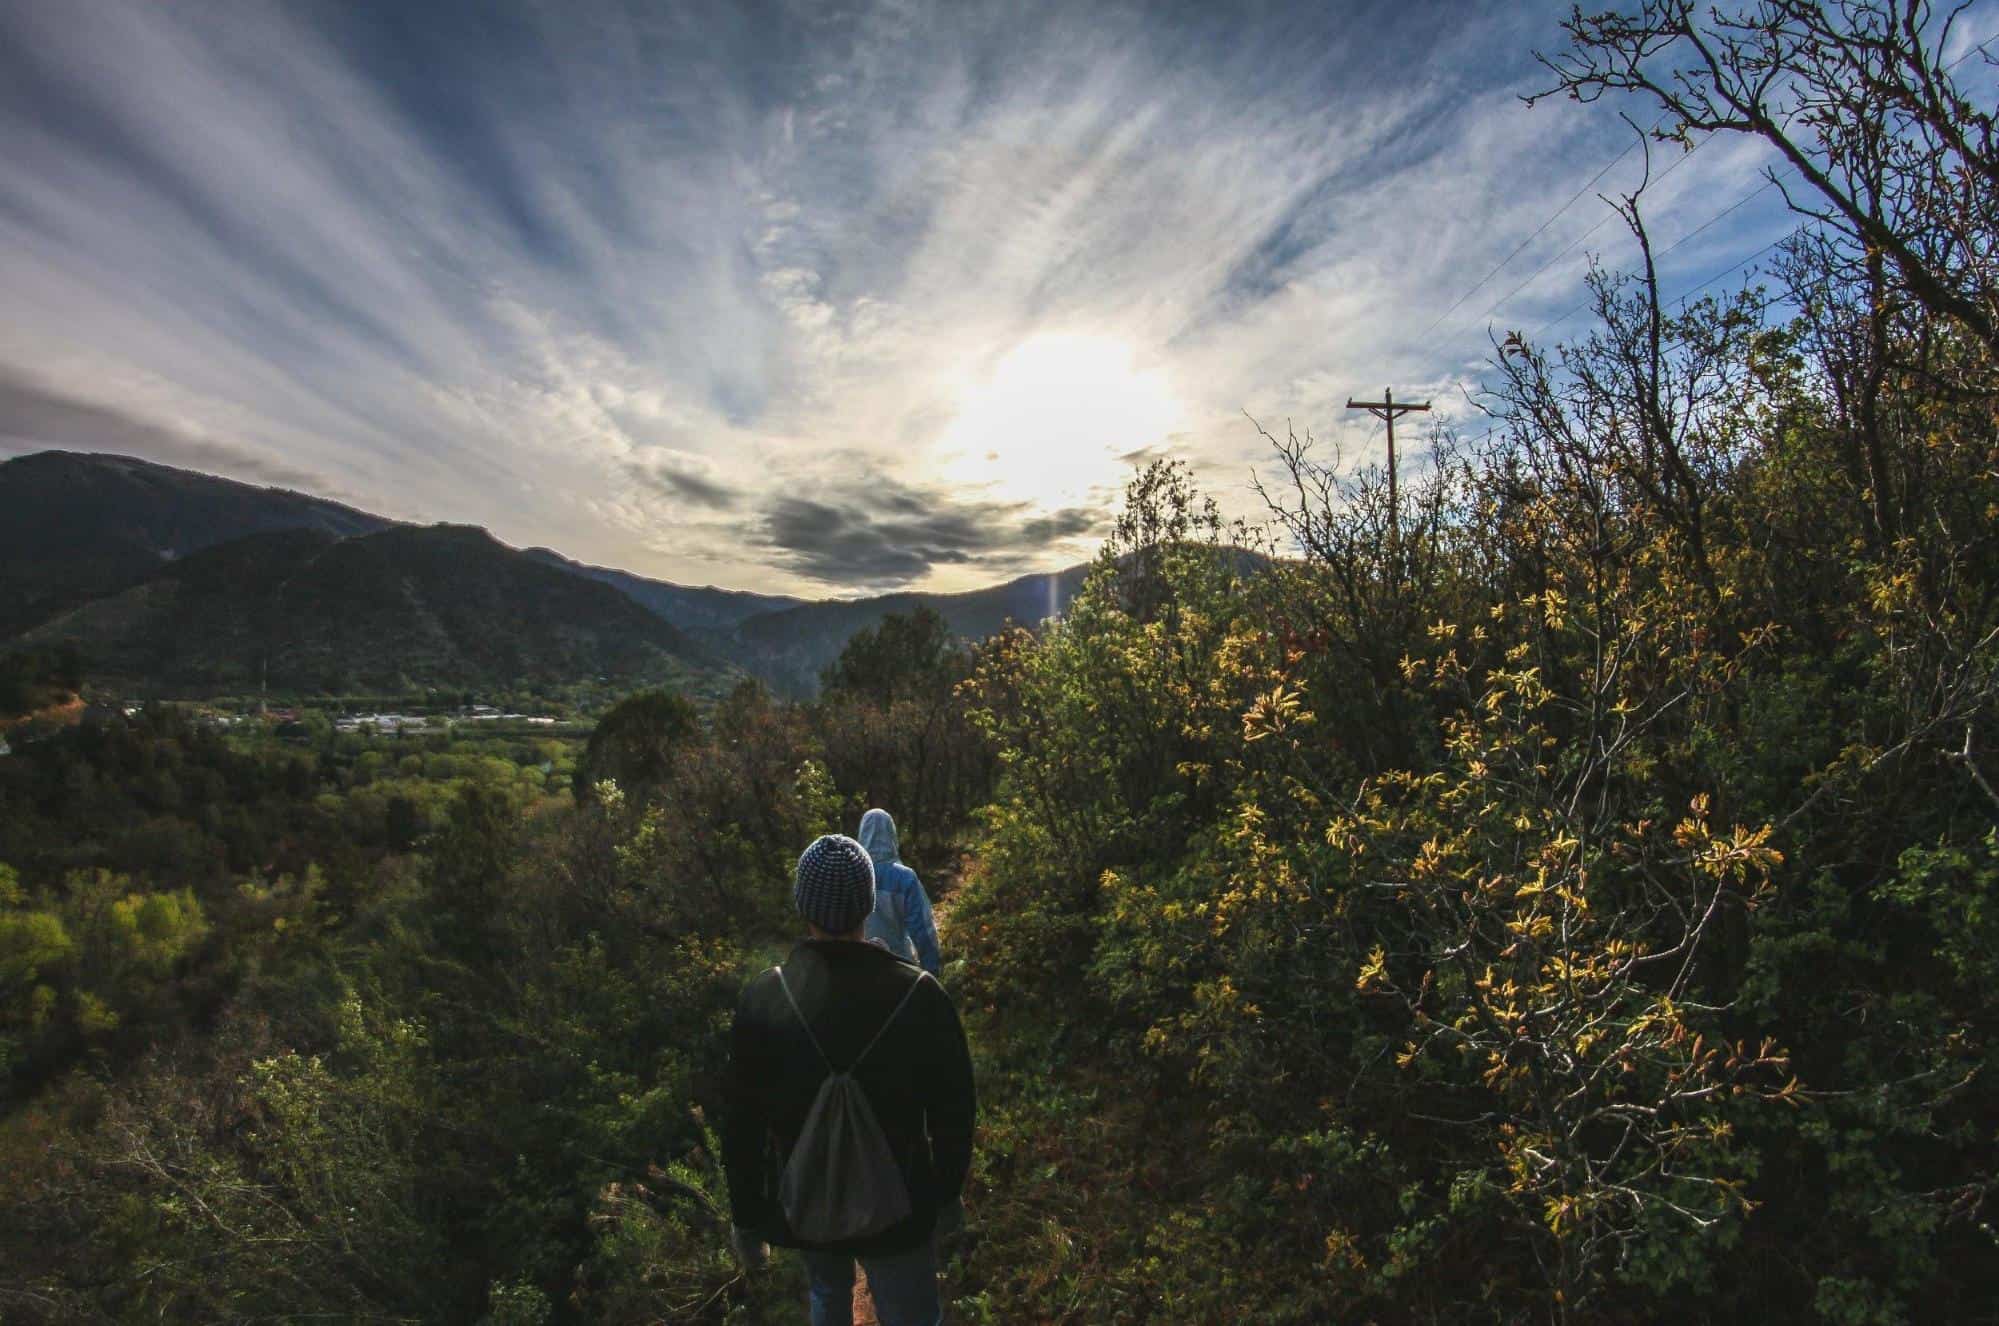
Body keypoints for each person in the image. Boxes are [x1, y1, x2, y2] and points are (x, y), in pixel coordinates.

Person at [723, 833, 975, 1326]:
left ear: (802, 903)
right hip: (902, 1206)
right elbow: (955, 1108)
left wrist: (748, 1218)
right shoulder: (920, 995)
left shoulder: (766, 997)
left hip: (811, 1202)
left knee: (826, 1295)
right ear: (867, 902)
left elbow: (743, 1123)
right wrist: (946, 1194)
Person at [857, 808, 942, 976]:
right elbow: (922, 929)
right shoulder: (904, 877)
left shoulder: (851, 874)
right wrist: (932, 971)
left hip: (858, 968)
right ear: (891, 834)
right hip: (899, 968)